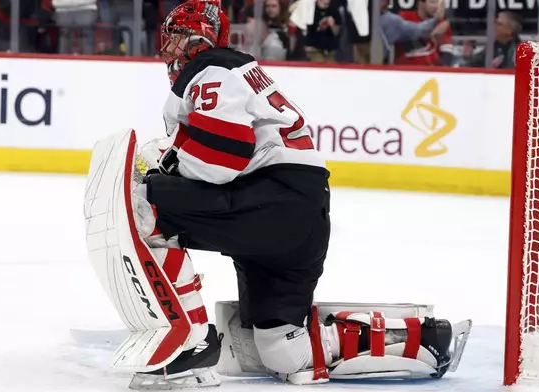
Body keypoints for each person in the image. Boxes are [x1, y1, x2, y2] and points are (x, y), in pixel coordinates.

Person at [109, 0, 459, 387]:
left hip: (272, 203)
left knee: (146, 204)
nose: (167, 49)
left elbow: (222, 159)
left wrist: (162, 168)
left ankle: (188, 342)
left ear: (198, 41)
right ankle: (421, 337)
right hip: (298, 214)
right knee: (285, 352)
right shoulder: (238, 70)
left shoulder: (210, 69)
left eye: (175, 38)